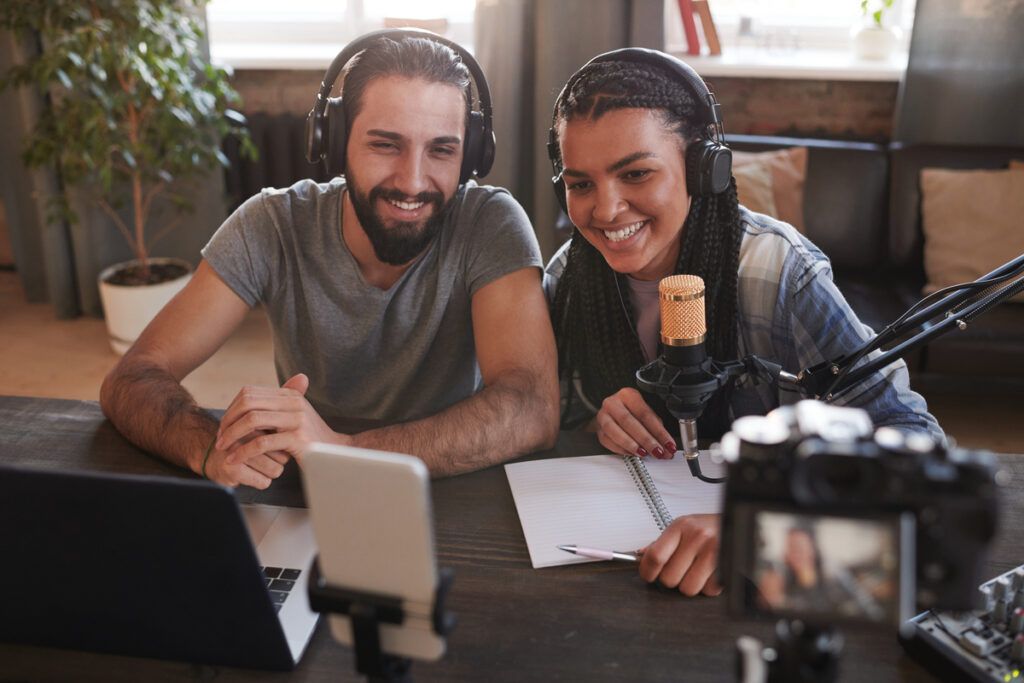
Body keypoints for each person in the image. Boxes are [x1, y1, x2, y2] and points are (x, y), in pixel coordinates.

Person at [542, 48, 943, 596]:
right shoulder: (568, 276)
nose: (607, 209)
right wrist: (597, 421)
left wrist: (753, 531)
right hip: (632, 572)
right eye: (581, 183)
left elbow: (916, 443)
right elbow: (553, 415)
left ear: (705, 168)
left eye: (635, 173)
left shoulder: (779, 271)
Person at [100, 31, 559, 489]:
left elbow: (532, 408)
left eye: (442, 150)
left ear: (472, 154)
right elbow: (134, 376)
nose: (413, 181)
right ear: (335, 142)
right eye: (385, 144)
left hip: (454, 480)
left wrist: (343, 451)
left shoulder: (490, 223)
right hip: (312, 485)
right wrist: (210, 449)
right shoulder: (272, 224)